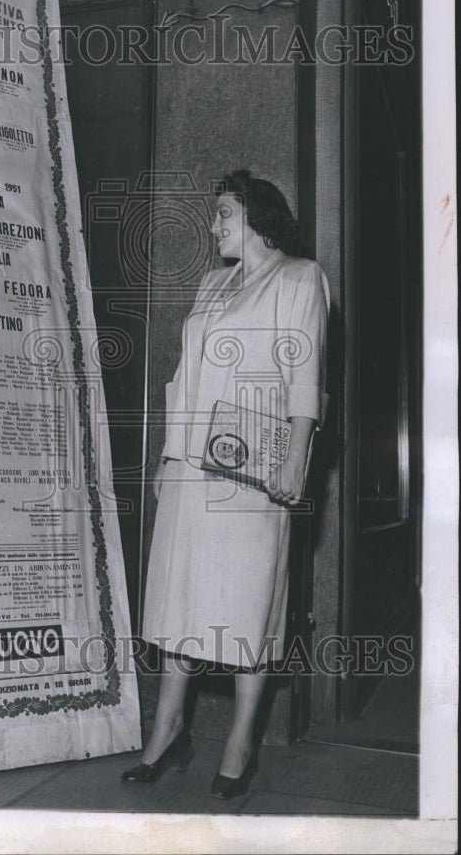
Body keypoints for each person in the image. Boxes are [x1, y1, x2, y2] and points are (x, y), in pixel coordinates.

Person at [122, 169, 329, 798]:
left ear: (257, 216)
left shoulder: (300, 277)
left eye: (222, 213)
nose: (212, 227)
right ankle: (168, 731)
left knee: (247, 607)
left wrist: (296, 459)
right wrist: (166, 455)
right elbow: (183, 377)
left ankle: (241, 743)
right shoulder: (212, 285)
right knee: (177, 600)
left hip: (254, 471)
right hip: (192, 466)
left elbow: (305, 372)